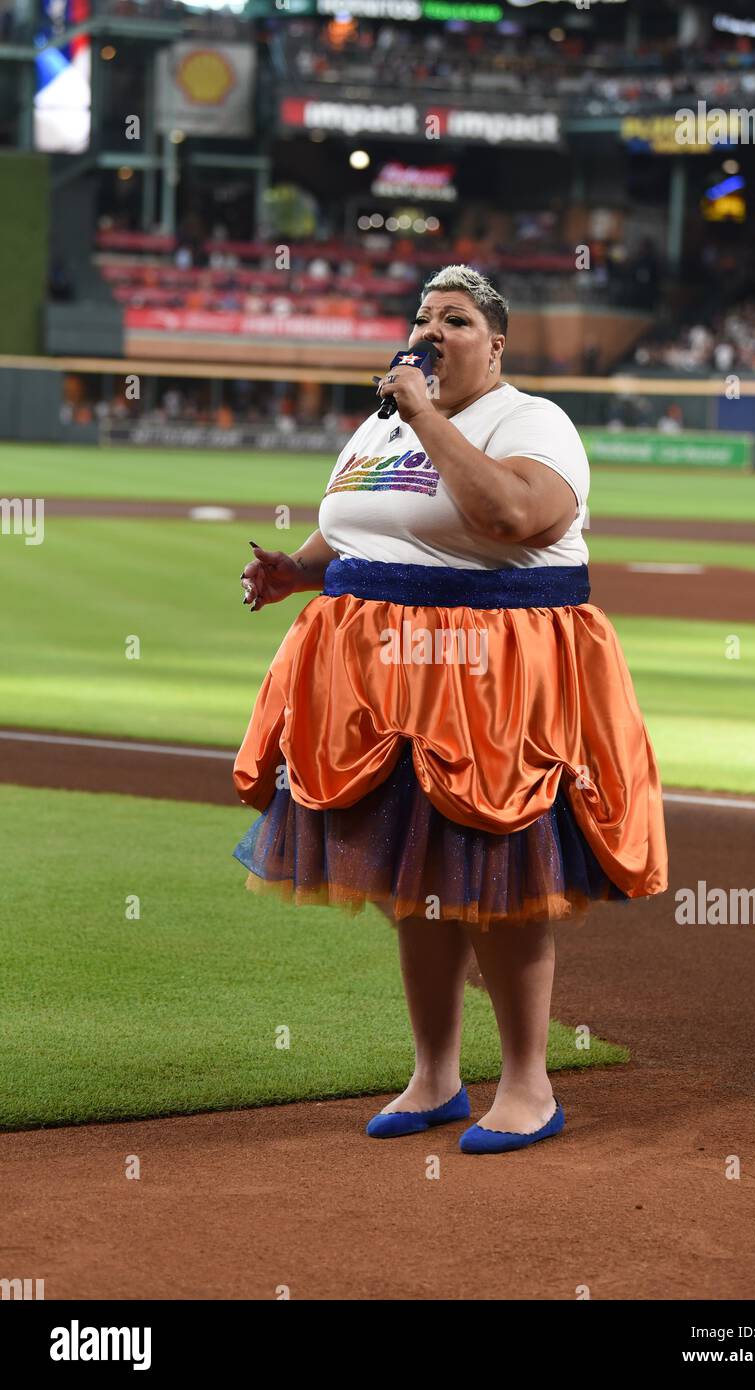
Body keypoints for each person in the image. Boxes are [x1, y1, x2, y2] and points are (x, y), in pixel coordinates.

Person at [233, 265, 667, 1155]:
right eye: (423, 317)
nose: (432, 331)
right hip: (375, 677)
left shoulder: (530, 420)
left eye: (456, 320)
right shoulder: (382, 422)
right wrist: (298, 568)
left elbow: (514, 518)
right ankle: (434, 1077)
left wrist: (426, 415)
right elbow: (363, 519)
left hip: (489, 675)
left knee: (494, 878)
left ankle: (528, 1087)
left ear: (496, 344)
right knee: (412, 883)